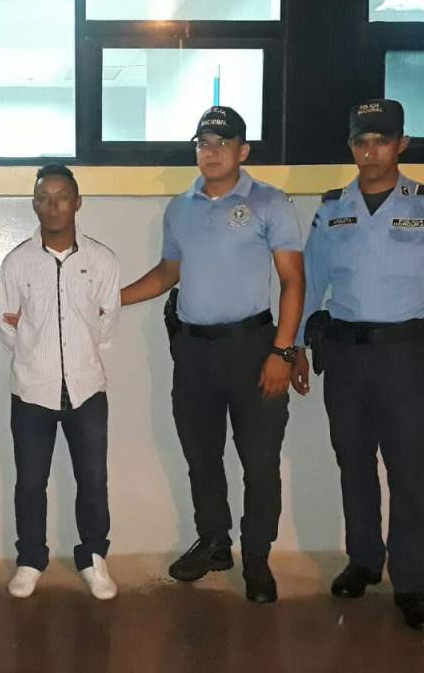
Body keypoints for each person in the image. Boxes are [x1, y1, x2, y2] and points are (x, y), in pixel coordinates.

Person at [292, 98, 424, 633]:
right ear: (351, 146)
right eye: (361, 141)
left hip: (405, 359)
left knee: (410, 473)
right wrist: (296, 345)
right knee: (353, 464)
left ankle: (412, 583)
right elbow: (308, 282)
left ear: (401, 144)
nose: (370, 151)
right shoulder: (333, 209)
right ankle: (364, 560)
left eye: (381, 141)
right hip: (344, 358)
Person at [121, 106, 305, 603]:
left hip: (255, 350)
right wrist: (111, 299)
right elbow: (168, 273)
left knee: (259, 463)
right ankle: (215, 542)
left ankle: (258, 557)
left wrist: (283, 351)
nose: (212, 151)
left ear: (243, 151)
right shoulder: (180, 208)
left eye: (223, 143)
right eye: (204, 143)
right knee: (201, 458)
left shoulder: (269, 202)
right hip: (194, 354)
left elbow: (293, 280)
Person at [0, 164, 121, 600]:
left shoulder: (101, 260)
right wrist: (37, 354)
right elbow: (5, 324)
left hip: (87, 390)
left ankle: (93, 557)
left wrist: (80, 357)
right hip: (32, 391)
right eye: (43, 197)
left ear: (77, 202)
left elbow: (108, 323)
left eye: (62, 196)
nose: (53, 206)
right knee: (30, 482)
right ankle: (30, 559)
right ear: (34, 204)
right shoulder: (18, 262)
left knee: (93, 480)